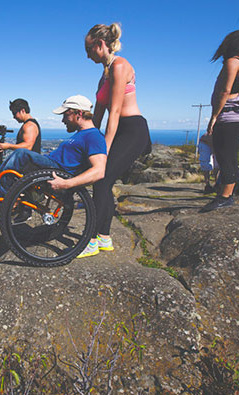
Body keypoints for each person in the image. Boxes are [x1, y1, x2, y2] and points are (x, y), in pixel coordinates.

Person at [79, 23, 151, 258]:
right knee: (104, 182)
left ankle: (90, 239)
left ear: (100, 45)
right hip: (118, 129)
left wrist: (105, 148)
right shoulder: (104, 75)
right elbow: (97, 116)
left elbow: (116, 112)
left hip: (132, 129)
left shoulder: (120, 67)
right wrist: (84, 138)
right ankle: (104, 238)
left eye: (88, 49)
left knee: (101, 178)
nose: (87, 54)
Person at [0, 95, 106, 204]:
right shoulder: (81, 134)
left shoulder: (94, 136)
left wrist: (67, 183)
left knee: (21, 154)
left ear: (78, 113)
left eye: (66, 115)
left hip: (56, 170)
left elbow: (99, 171)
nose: (63, 120)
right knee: (4, 165)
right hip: (51, 165)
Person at [201, 30, 239, 212]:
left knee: (225, 158)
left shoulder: (233, 63)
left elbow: (224, 92)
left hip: (228, 117)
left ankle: (225, 197)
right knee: (230, 156)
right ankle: (227, 193)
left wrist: (214, 117)